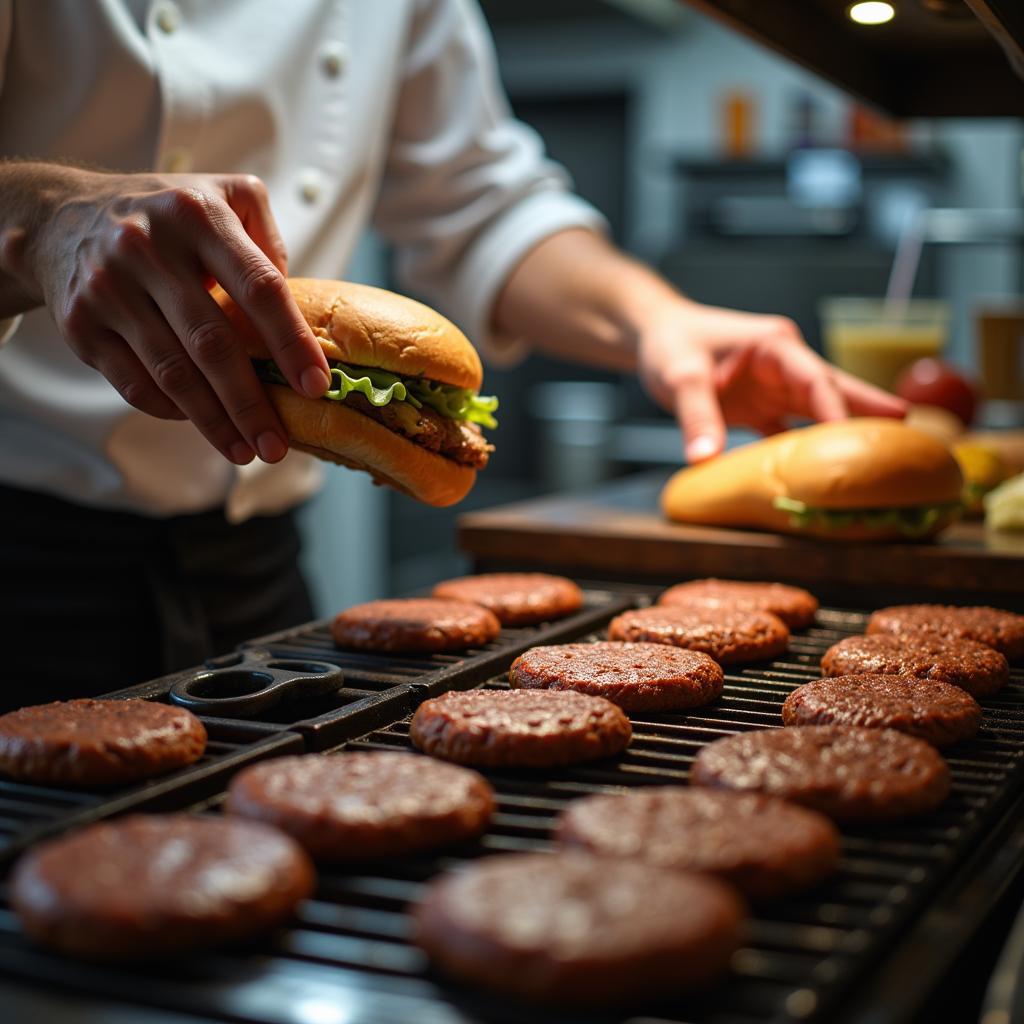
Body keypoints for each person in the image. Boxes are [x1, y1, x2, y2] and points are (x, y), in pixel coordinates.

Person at [0, 1, 903, 706]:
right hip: (23, 560)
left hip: (256, 575)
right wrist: (40, 221)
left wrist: (652, 319)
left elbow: (481, 206)